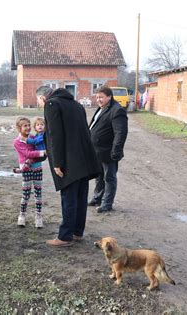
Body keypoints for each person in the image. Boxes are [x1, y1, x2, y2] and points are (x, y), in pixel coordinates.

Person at [37, 86, 101, 247]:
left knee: (69, 198)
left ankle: (65, 237)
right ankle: (77, 232)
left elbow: (55, 134)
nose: (39, 104)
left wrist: (58, 163)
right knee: (80, 196)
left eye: (38, 100)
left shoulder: (52, 105)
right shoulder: (76, 105)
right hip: (83, 159)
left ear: (43, 98)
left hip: (68, 161)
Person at [88, 85, 128, 213]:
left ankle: (107, 203)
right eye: (97, 97)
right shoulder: (101, 108)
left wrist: (116, 151)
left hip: (109, 152)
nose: (98, 99)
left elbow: (120, 133)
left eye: (101, 97)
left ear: (109, 97)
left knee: (109, 178)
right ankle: (97, 198)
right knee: (99, 176)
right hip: (97, 151)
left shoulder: (117, 110)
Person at [13, 116, 46, 228]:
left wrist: (40, 154)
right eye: (24, 126)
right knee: (26, 194)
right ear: (19, 128)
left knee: (38, 193)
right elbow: (27, 153)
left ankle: (38, 216)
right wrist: (42, 153)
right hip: (26, 170)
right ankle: (22, 215)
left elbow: (36, 150)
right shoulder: (17, 141)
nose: (27, 128)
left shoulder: (34, 137)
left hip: (37, 168)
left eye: (28, 125)